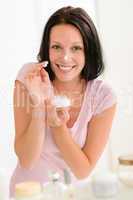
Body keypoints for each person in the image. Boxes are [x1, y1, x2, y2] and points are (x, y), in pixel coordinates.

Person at [10, 6, 117, 197]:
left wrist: (58, 126)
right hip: (29, 194)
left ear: (88, 51)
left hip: (70, 194)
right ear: (47, 48)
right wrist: (38, 106)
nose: (65, 58)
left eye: (76, 48)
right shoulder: (29, 77)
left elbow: (83, 170)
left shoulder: (103, 96)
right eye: (56, 47)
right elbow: (27, 160)